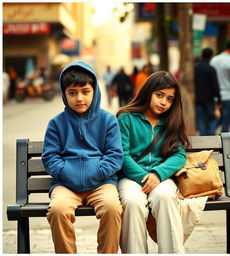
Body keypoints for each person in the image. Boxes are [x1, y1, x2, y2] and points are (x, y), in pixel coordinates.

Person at [116, 71, 208, 253]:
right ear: (148, 92)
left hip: (162, 177)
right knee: (132, 202)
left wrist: (158, 174)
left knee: (165, 197)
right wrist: (144, 177)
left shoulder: (172, 121)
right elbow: (122, 155)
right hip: (131, 177)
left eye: (170, 99)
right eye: (159, 95)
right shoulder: (126, 118)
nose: (164, 102)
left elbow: (178, 156)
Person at [42, 61, 123, 254]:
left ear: (94, 91)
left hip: (102, 183)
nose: (80, 98)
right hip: (66, 185)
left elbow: (115, 155)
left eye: (85, 91)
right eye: (72, 93)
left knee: (112, 208)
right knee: (57, 210)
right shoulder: (56, 123)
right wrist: (66, 172)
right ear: (64, 94)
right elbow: (50, 157)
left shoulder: (108, 120)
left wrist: (97, 172)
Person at [194, 48, 221, 135]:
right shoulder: (211, 69)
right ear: (210, 57)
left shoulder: (195, 68)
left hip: (198, 98)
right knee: (213, 117)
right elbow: (215, 86)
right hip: (209, 98)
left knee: (201, 119)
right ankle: (211, 132)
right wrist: (218, 98)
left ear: (202, 55)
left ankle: (203, 137)